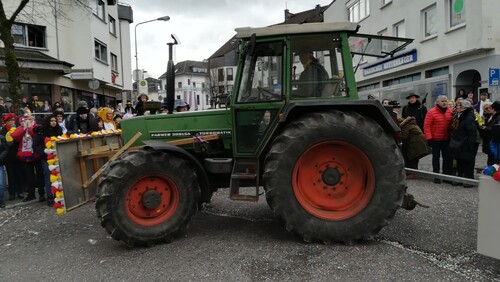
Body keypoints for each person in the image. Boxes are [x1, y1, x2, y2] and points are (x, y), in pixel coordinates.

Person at [11, 113, 46, 201]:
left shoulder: (37, 126)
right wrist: (24, 128)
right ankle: (31, 194)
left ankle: (42, 194)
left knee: (40, 175)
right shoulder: (21, 128)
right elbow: (15, 136)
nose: (27, 120)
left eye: (29, 118)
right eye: (25, 119)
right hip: (26, 156)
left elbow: (35, 135)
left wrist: (29, 127)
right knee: (29, 176)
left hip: (36, 155)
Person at [448, 100, 478, 187]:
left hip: (466, 143)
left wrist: (471, 144)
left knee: (467, 162)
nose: (457, 107)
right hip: (459, 142)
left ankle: (468, 181)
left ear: (465, 107)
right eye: (457, 105)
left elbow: (472, 132)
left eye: (459, 105)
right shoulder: (458, 115)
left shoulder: (468, 117)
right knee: (459, 161)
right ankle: (460, 178)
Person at [33, 115, 62, 206]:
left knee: (58, 176)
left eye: (55, 121)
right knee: (48, 176)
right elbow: (35, 145)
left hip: (58, 156)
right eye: (51, 121)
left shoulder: (58, 130)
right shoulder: (42, 131)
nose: (54, 122)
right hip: (46, 157)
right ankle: (50, 196)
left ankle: (59, 195)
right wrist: (43, 153)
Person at [423, 95, 453, 184]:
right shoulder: (431, 112)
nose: (444, 103)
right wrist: (429, 138)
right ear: (438, 102)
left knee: (446, 158)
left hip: (446, 139)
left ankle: (446, 176)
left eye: (445, 101)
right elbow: (427, 126)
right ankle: (436, 176)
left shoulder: (450, 112)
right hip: (435, 139)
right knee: (436, 158)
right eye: (442, 101)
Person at [0, 113, 24, 200]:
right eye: (9, 121)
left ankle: (20, 191)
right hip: (8, 156)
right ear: (5, 122)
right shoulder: (3, 131)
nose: (11, 122)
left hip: (17, 155)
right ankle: (12, 193)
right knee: (11, 175)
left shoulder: (17, 129)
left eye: (12, 120)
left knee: (19, 173)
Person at [481, 101, 500, 165]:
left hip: (494, 143)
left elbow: (495, 129)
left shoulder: (497, 117)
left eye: (490, 108)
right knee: (490, 159)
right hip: (489, 142)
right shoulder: (490, 116)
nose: (489, 109)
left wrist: (485, 128)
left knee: (494, 161)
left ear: (494, 109)